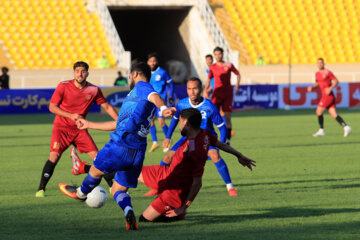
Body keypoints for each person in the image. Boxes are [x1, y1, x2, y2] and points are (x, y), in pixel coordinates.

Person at [59, 62, 176, 230]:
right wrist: (88, 124)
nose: (129, 78)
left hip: (121, 144)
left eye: (130, 75)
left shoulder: (142, 87)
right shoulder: (139, 100)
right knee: (117, 190)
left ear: (135, 74)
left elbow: (154, 96)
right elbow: (118, 123)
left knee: (95, 171)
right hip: (138, 152)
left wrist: (163, 108)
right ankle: (128, 212)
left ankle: (80, 193)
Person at [138, 108, 255, 222]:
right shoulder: (203, 134)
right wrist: (239, 155)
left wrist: (184, 207)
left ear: (186, 123)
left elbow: (197, 183)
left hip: (174, 191)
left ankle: (177, 214)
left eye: (180, 122)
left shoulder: (194, 151)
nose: (179, 126)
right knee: (130, 171)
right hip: (165, 173)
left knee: (143, 220)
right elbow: (222, 145)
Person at [35, 61, 118, 198]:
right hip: (61, 128)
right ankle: (41, 189)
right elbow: (52, 107)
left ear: (87, 73)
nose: (80, 73)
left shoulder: (94, 90)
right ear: (74, 73)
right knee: (54, 157)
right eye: (78, 71)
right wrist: (70, 115)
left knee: (98, 158)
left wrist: (120, 122)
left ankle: (111, 186)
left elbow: (107, 107)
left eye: (83, 71)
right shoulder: (63, 86)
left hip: (80, 130)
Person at [160, 77, 239, 196]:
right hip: (188, 138)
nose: (192, 92)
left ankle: (230, 187)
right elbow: (174, 121)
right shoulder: (182, 104)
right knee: (167, 158)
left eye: (195, 88)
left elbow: (222, 127)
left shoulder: (209, 106)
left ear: (200, 89)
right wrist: (167, 137)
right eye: (189, 89)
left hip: (206, 138)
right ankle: (159, 185)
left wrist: (219, 145)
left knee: (215, 155)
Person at [203, 47, 241, 145]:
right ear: (214, 55)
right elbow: (208, 80)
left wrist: (237, 86)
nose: (218, 56)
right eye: (216, 54)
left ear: (222, 54)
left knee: (228, 117)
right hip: (217, 94)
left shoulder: (228, 65)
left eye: (219, 54)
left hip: (228, 94)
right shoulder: (212, 67)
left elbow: (238, 74)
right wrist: (205, 91)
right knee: (210, 114)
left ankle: (227, 139)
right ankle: (210, 135)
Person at [307, 58, 352, 137]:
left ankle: (321, 130)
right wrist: (312, 88)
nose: (320, 64)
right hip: (326, 96)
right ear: (317, 64)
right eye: (318, 63)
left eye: (321, 63)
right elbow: (317, 83)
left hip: (328, 96)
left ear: (324, 63)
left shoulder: (328, 72)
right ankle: (346, 126)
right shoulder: (317, 74)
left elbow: (336, 81)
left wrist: (330, 88)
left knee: (318, 111)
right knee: (334, 114)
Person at [147, 52, 174, 152]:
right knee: (150, 121)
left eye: (154, 61)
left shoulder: (162, 72)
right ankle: (155, 142)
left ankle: (169, 140)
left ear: (157, 62)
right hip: (151, 101)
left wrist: (170, 96)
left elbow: (171, 84)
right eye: (150, 61)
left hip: (161, 101)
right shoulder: (147, 73)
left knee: (161, 122)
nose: (152, 63)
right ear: (148, 62)